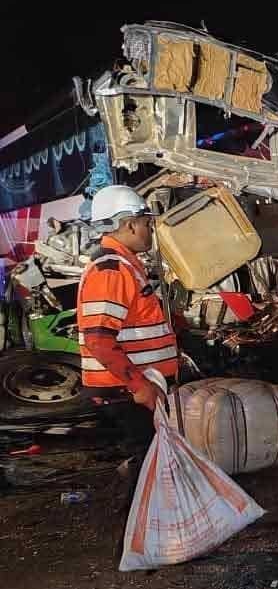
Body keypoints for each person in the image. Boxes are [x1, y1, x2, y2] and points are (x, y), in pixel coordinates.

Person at [77, 185, 178, 540]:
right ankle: (138, 543)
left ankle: (150, 538)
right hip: (125, 389)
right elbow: (99, 340)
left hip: (132, 385)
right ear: (130, 224)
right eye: (146, 223)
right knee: (147, 463)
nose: (150, 230)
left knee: (150, 462)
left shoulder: (125, 267)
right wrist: (139, 385)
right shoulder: (111, 270)